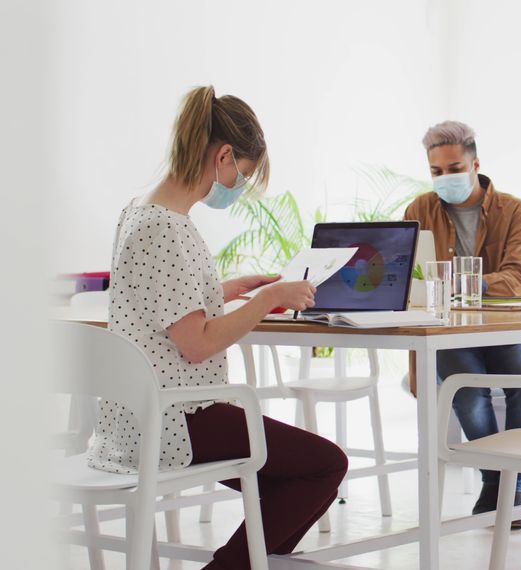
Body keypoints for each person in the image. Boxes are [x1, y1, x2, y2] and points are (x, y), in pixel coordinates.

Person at [90, 86, 348, 569]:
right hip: (176, 419)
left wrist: (230, 290)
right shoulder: (165, 226)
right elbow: (195, 344)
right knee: (325, 465)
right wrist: (269, 298)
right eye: (243, 175)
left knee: (287, 474)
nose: (238, 187)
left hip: (136, 418)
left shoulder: (142, 211)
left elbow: (162, 302)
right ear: (224, 155)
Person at [404, 120, 521, 527]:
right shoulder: (419, 211)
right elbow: (407, 277)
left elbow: (518, 279)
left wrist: (460, 282)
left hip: (502, 327)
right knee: (466, 388)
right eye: (436, 172)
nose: (445, 178)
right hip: (448, 333)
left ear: (475, 163)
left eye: (453, 168)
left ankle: (513, 480)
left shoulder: (515, 211)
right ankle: (498, 481)